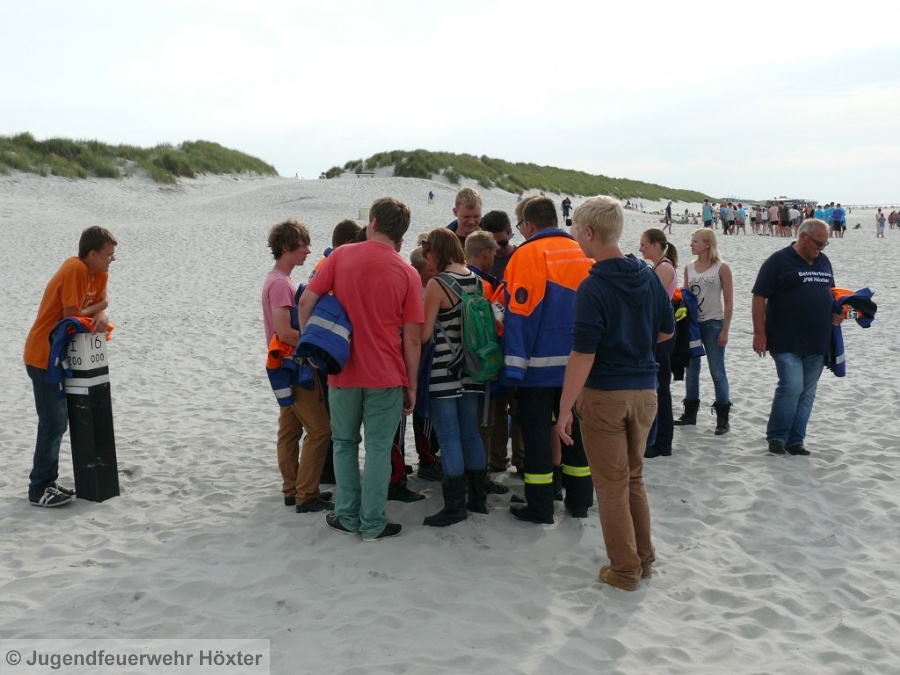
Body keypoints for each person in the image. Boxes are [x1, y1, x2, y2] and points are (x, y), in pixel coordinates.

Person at [556, 196, 675, 590]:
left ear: (589, 233)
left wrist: (565, 408)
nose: (575, 237)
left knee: (610, 484)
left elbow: (583, 354)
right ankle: (643, 559)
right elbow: (666, 331)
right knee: (633, 478)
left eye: (576, 231)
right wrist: (634, 341)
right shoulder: (648, 276)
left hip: (606, 392)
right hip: (644, 390)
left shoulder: (593, 286)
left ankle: (625, 569)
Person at [299, 197, 423, 541]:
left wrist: (311, 347)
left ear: (373, 223)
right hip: (386, 373)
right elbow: (413, 339)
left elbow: (306, 300)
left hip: (343, 369)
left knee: (344, 444)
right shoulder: (408, 272)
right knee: (379, 449)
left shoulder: (340, 256)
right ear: (401, 233)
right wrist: (412, 385)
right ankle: (373, 522)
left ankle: (347, 515)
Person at [502, 196, 594, 524]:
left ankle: (540, 507)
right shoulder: (583, 252)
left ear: (528, 224)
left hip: (538, 371)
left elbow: (520, 315)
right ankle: (580, 501)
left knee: (538, 437)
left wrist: (513, 369)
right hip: (579, 366)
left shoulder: (527, 254)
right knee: (575, 434)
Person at [23, 227, 117, 507]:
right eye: (108, 254)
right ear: (92, 253)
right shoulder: (75, 268)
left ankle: (49, 481)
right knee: (53, 423)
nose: (112, 259)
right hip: (43, 356)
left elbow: (103, 301)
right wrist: (99, 310)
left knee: (63, 421)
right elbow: (70, 315)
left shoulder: (99, 272)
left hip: (66, 356)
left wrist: (103, 310)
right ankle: (39, 488)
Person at [751, 219, 843, 455]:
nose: (821, 248)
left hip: (818, 340)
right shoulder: (778, 261)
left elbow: (832, 294)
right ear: (803, 237)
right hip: (785, 339)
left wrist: (840, 314)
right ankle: (777, 437)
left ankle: (795, 440)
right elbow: (759, 296)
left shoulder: (824, 261)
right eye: (818, 243)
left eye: (825, 244)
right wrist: (759, 332)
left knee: (807, 392)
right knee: (791, 386)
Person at [262, 220, 334, 513]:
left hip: (284, 365)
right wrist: (315, 345)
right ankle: (306, 494)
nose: (308, 250)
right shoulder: (281, 283)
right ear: (286, 247)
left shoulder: (279, 280)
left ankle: (293, 489)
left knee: (290, 429)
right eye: (303, 245)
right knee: (320, 430)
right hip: (293, 365)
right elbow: (284, 332)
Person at [419, 229, 488, 526]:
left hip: (444, 369)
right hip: (473, 367)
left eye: (429, 255)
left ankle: (454, 506)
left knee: (448, 437)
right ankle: (478, 499)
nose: (428, 261)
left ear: (437, 251)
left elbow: (424, 334)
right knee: (470, 432)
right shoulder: (477, 280)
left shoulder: (437, 284)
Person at [675, 228, 733, 434]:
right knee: (692, 370)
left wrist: (725, 330)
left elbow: (729, 301)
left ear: (707, 244)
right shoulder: (689, 268)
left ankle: (722, 419)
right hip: (693, 325)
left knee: (717, 372)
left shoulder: (722, 267)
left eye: (695, 241)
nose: (691, 244)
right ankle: (690, 414)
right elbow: (686, 297)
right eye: (692, 241)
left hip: (714, 324)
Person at [639, 228, 679, 458]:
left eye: (644, 244)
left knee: (661, 389)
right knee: (657, 387)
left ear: (656, 245)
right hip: (659, 332)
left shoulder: (663, 267)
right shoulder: (659, 266)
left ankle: (663, 442)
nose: (641, 249)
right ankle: (657, 439)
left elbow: (649, 298)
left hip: (663, 334)